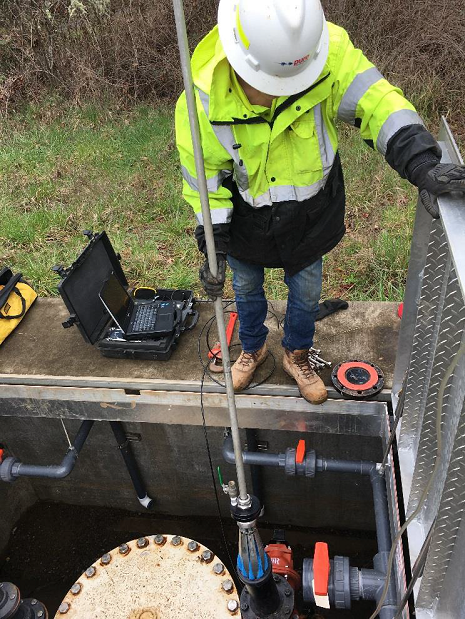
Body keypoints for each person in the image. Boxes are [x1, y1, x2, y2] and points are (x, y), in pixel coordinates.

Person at [175, 0, 465, 404]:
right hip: (246, 221)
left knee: (307, 293)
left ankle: (296, 354)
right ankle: (253, 348)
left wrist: (419, 157)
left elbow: (377, 101)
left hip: (311, 216)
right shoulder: (201, 99)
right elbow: (203, 177)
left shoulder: (324, 49)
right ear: (241, 63)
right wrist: (213, 236)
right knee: (246, 288)